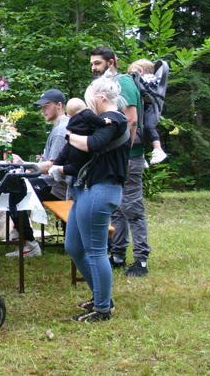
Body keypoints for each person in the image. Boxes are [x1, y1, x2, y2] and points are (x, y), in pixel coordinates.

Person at [49, 77, 130, 322]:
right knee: (73, 246)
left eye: (89, 98)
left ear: (101, 97)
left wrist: (68, 134)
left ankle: (103, 309)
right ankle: (100, 297)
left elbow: (93, 144)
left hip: (102, 190)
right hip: (87, 189)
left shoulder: (116, 120)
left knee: (95, 251)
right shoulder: (103, 121)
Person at [90, 45, 150, 277]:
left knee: (132, 207)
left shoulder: (123, 84)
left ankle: (142, 260)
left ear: (111, 62)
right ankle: (118, 255)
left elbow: (131, 120)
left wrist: (124, 154)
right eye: (93, 64)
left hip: (129, 157)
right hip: (115, 158)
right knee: (117, 208)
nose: (94, 68)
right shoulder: (106, 86)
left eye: (98, 63)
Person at [7, 88, 70, 258]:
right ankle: (18, 232)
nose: (43, 110)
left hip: (58, 187)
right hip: (52, 182)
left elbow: (52, 165)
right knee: (13, 186)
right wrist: (26, 165)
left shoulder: (61, 130)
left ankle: (28, 242)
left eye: (46, 106)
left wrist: (25, 165)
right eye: (41, 107)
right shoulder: (59, 127)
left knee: (14, 191)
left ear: (59, 105)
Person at [49, 98, 111, 181]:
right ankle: (60, 169)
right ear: (85, 107)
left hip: (71, 144)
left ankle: (56, 165)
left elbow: (68, 131)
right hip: (80, 145)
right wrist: (104, 121)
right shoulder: (87, 113)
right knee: (77, 168)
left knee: (63, 155)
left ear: (69, 115)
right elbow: (96, 120)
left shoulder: (71, 120)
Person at [127, 58, 169, 165]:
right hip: (143, 108)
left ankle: (158, 149)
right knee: (141, 130)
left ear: (140, 71)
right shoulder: (142, 80)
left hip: (150, 109)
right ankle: (142, 157)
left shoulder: (150, 79)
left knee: (149, 127)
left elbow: (147, 92)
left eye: (132, 73)